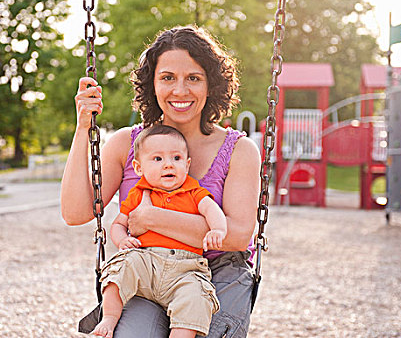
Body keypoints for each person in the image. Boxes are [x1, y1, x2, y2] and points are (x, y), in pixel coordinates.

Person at [61, 25, 261, 337]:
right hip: (147, 267)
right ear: (152, 84)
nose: (180, 90)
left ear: (211, 84)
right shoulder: (128, 144)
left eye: (193, 78)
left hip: (219, 271)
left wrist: (153, 218)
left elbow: (235, 236)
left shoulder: (239, 150)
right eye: (168, 78)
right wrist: (82, 127)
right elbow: (76, 213)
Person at [92, 124, 227, 338]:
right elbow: (118, 224)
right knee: (121, 266)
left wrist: (218, 229)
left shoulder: (193, 191)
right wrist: (121, 241)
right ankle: (109, 316)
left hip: (186, 268)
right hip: (146, 262)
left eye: (176, 158)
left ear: (187, 163)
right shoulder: (138, 195)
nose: (168, 166)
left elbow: (212, 210)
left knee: (196, 296)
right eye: (158, 159)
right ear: (138, 167)